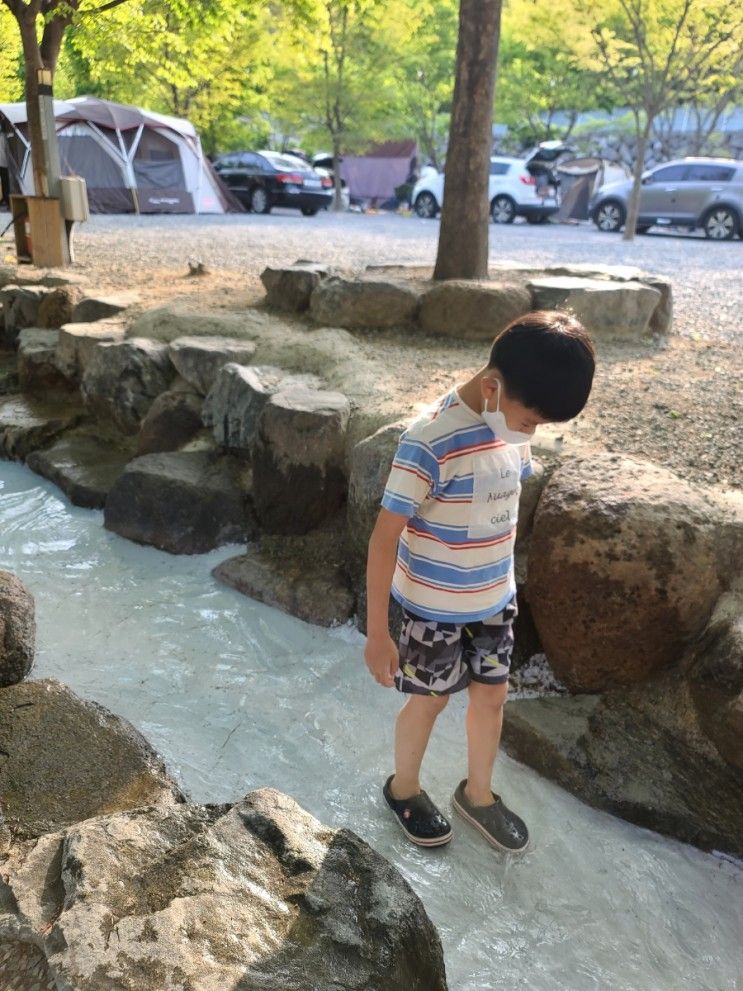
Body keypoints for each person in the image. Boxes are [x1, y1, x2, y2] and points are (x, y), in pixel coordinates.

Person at [364, 310, 595, 852]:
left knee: (492, 698)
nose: (531, 433)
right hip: (433, 607)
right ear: (493, 388)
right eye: (532, 421)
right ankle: (404, 787)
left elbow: (504, 498)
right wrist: (379, 633)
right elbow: (383, 539)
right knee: (430, 700)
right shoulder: (429, 441)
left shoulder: (509, 428)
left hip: (494, 599)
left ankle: (479, 794)